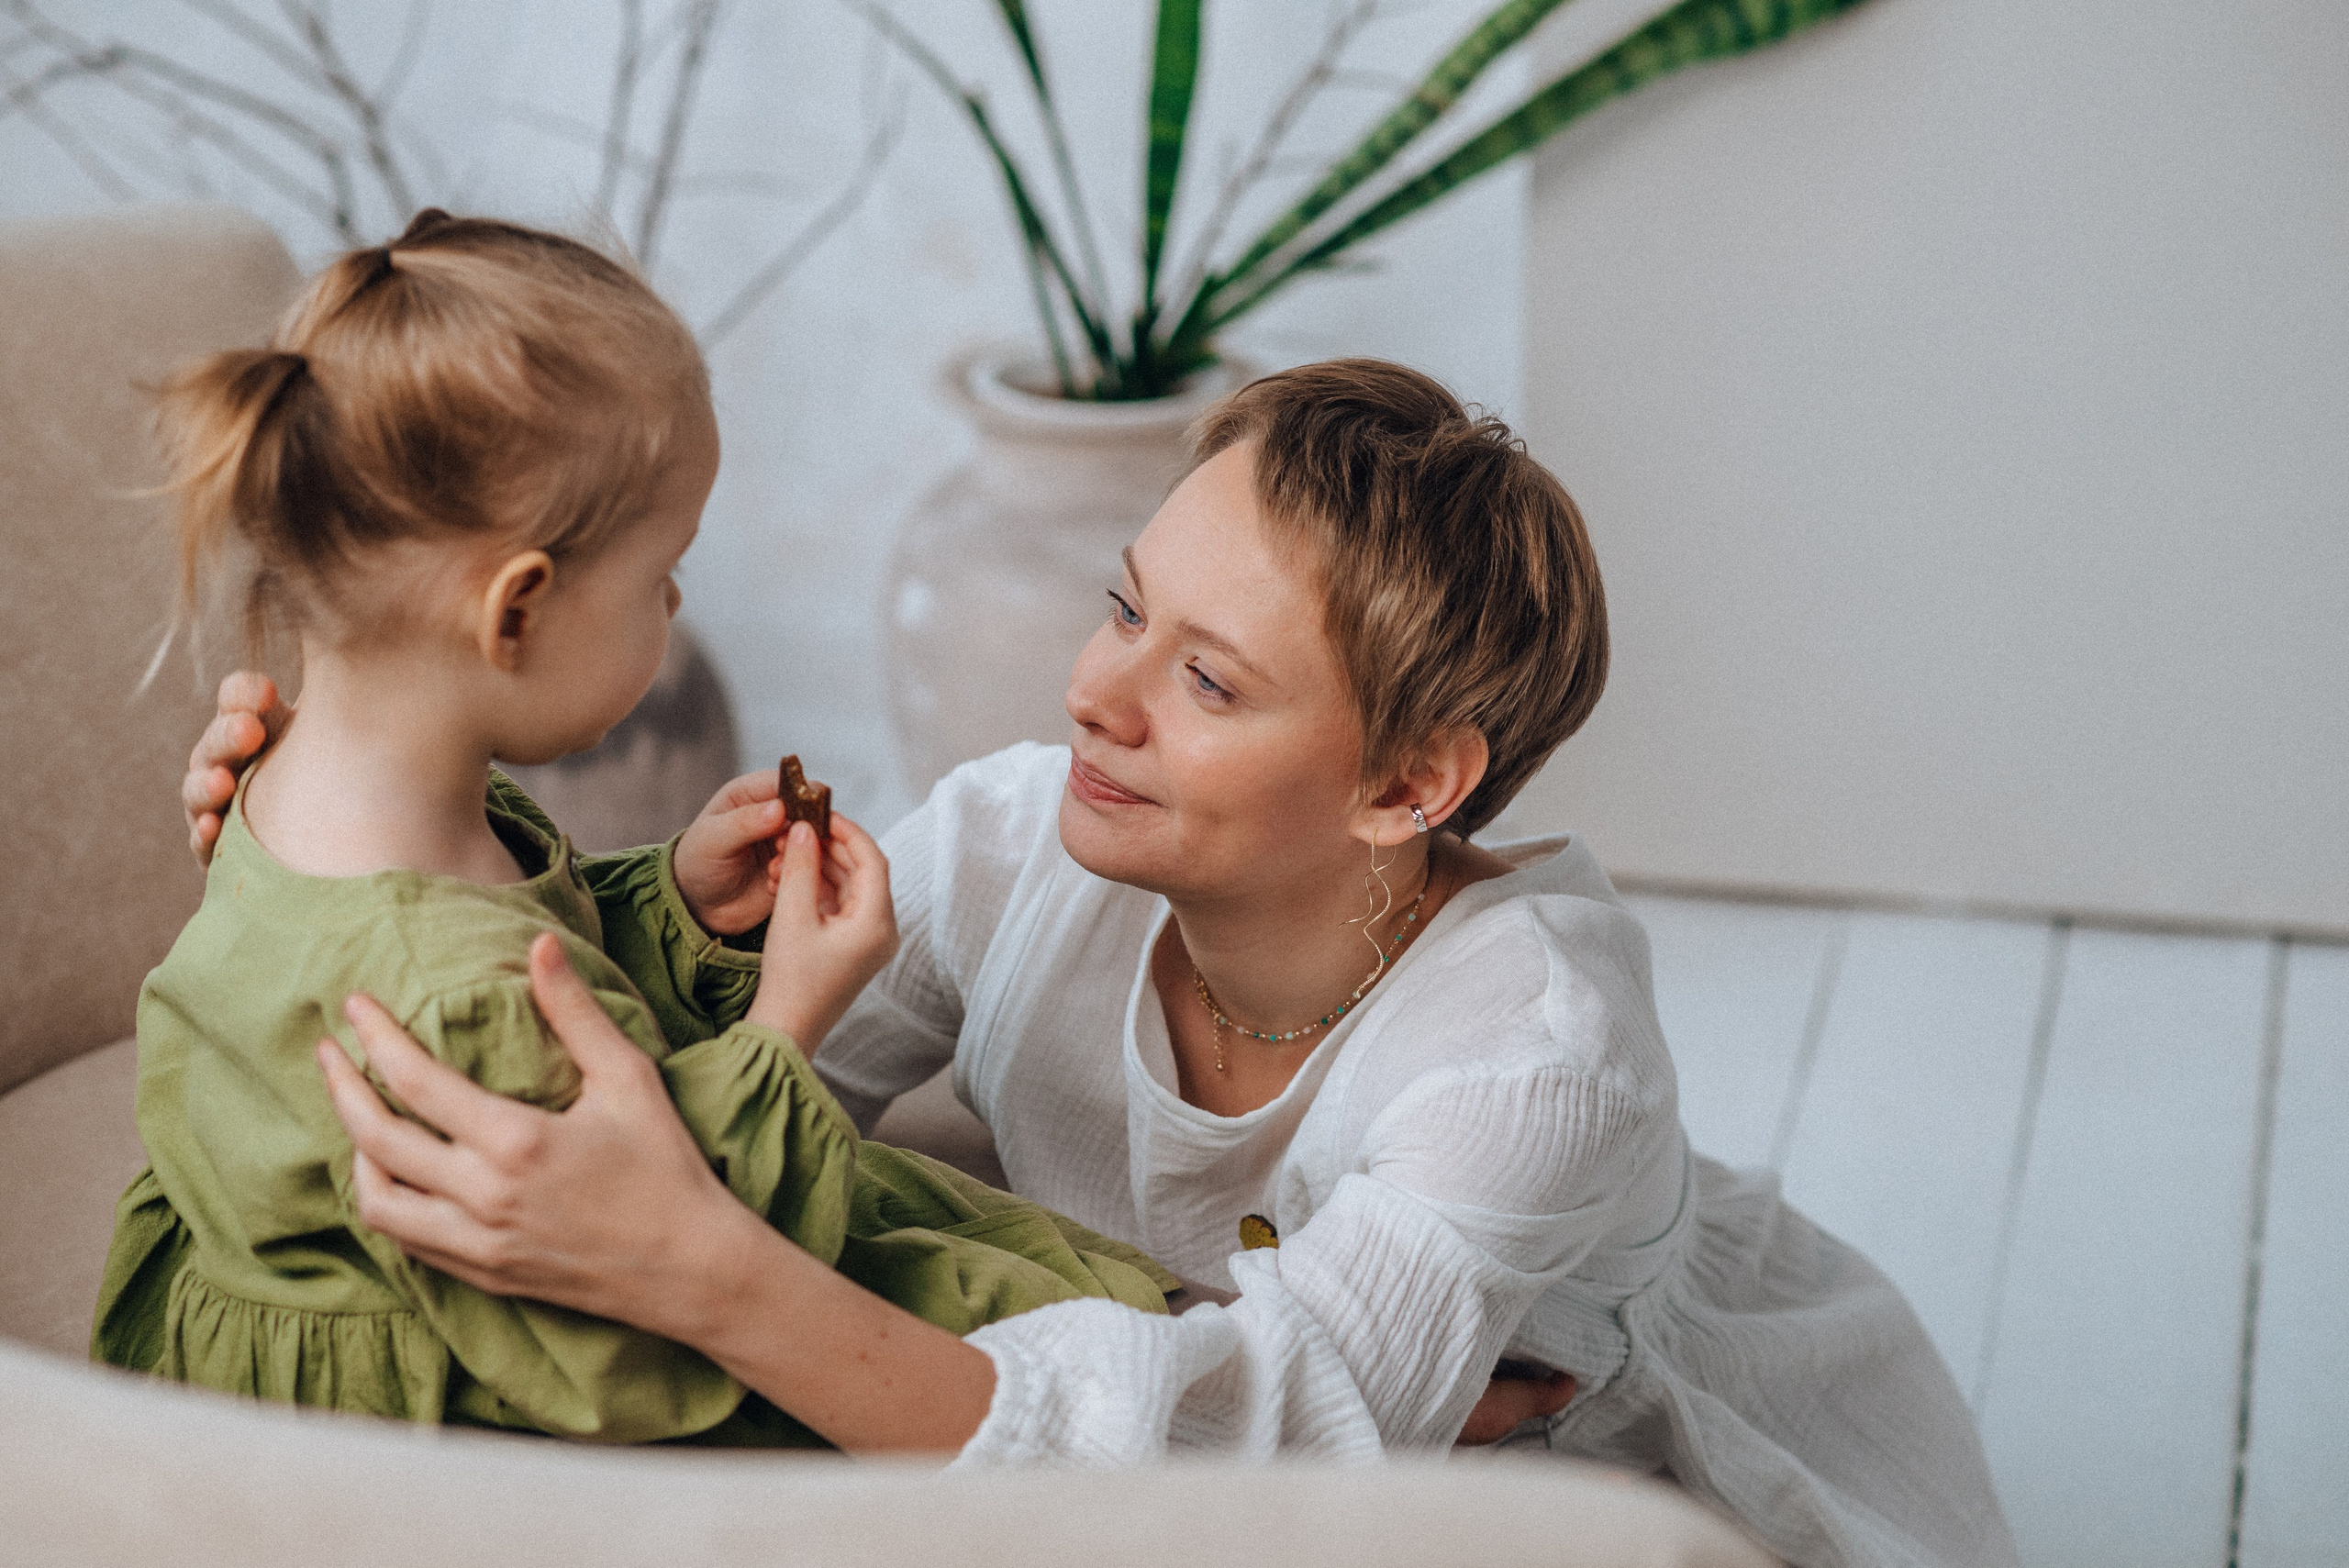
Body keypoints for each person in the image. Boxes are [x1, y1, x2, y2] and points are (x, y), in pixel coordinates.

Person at [189, 360, 2021, 1566]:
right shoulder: (1010, 844)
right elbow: (666, 1098)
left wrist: (713, 1276)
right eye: (1123, 605)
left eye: (1204, 679)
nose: (1095, 690)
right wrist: (355, 864)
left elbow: (1262, 1466)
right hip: (1186, 1433)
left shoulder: (1531, 1056)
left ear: (1405, 783)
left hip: (1606, 1493)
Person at [102, 210, 1172, 1448]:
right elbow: (651, 1278)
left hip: (380, 1291)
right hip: (488, 1394)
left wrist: (670, 895)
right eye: (662, 569)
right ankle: (1206, 1401)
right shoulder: (457, 996)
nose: (674, 600)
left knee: (948, 1228)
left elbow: (525, 944)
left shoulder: (288, 777)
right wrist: (789, 1017)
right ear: (518, 611)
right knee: (984, 1302)